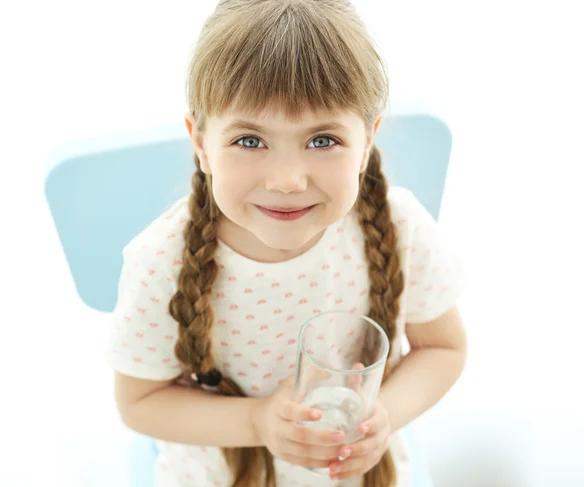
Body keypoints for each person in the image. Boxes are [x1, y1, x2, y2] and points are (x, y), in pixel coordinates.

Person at [106, 1, 468, 486]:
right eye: (250, 141)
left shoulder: (399, 227)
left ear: (368, 140)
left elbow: (442, 349)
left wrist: (383, 413)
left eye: (322, 140)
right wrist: (256, 421)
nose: (287, 180)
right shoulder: (160, 263)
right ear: (201, 143)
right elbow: (140, 403)